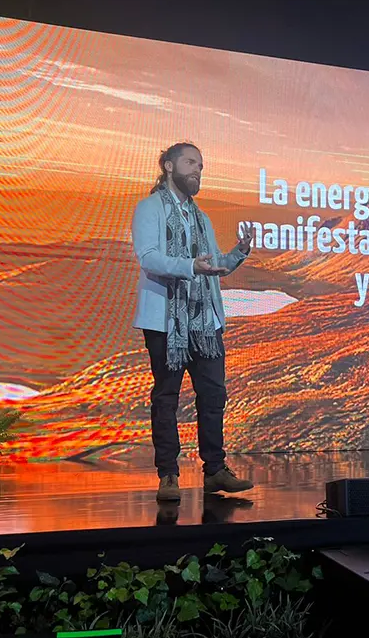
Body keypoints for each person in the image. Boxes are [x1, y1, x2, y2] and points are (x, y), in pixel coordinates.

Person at [131, 142, 254, 501]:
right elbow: (149, 257)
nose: (197, 170)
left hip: (204, 322)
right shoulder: (149, 208)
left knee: (214, 395)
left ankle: (215, 469)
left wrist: (239, 253)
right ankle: (168, 474)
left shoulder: (202, 218)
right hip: (165, 320)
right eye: (190, 162)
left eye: (200, 164)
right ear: (168, 166)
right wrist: (189, 267)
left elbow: (212, 265)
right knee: (167, 397)